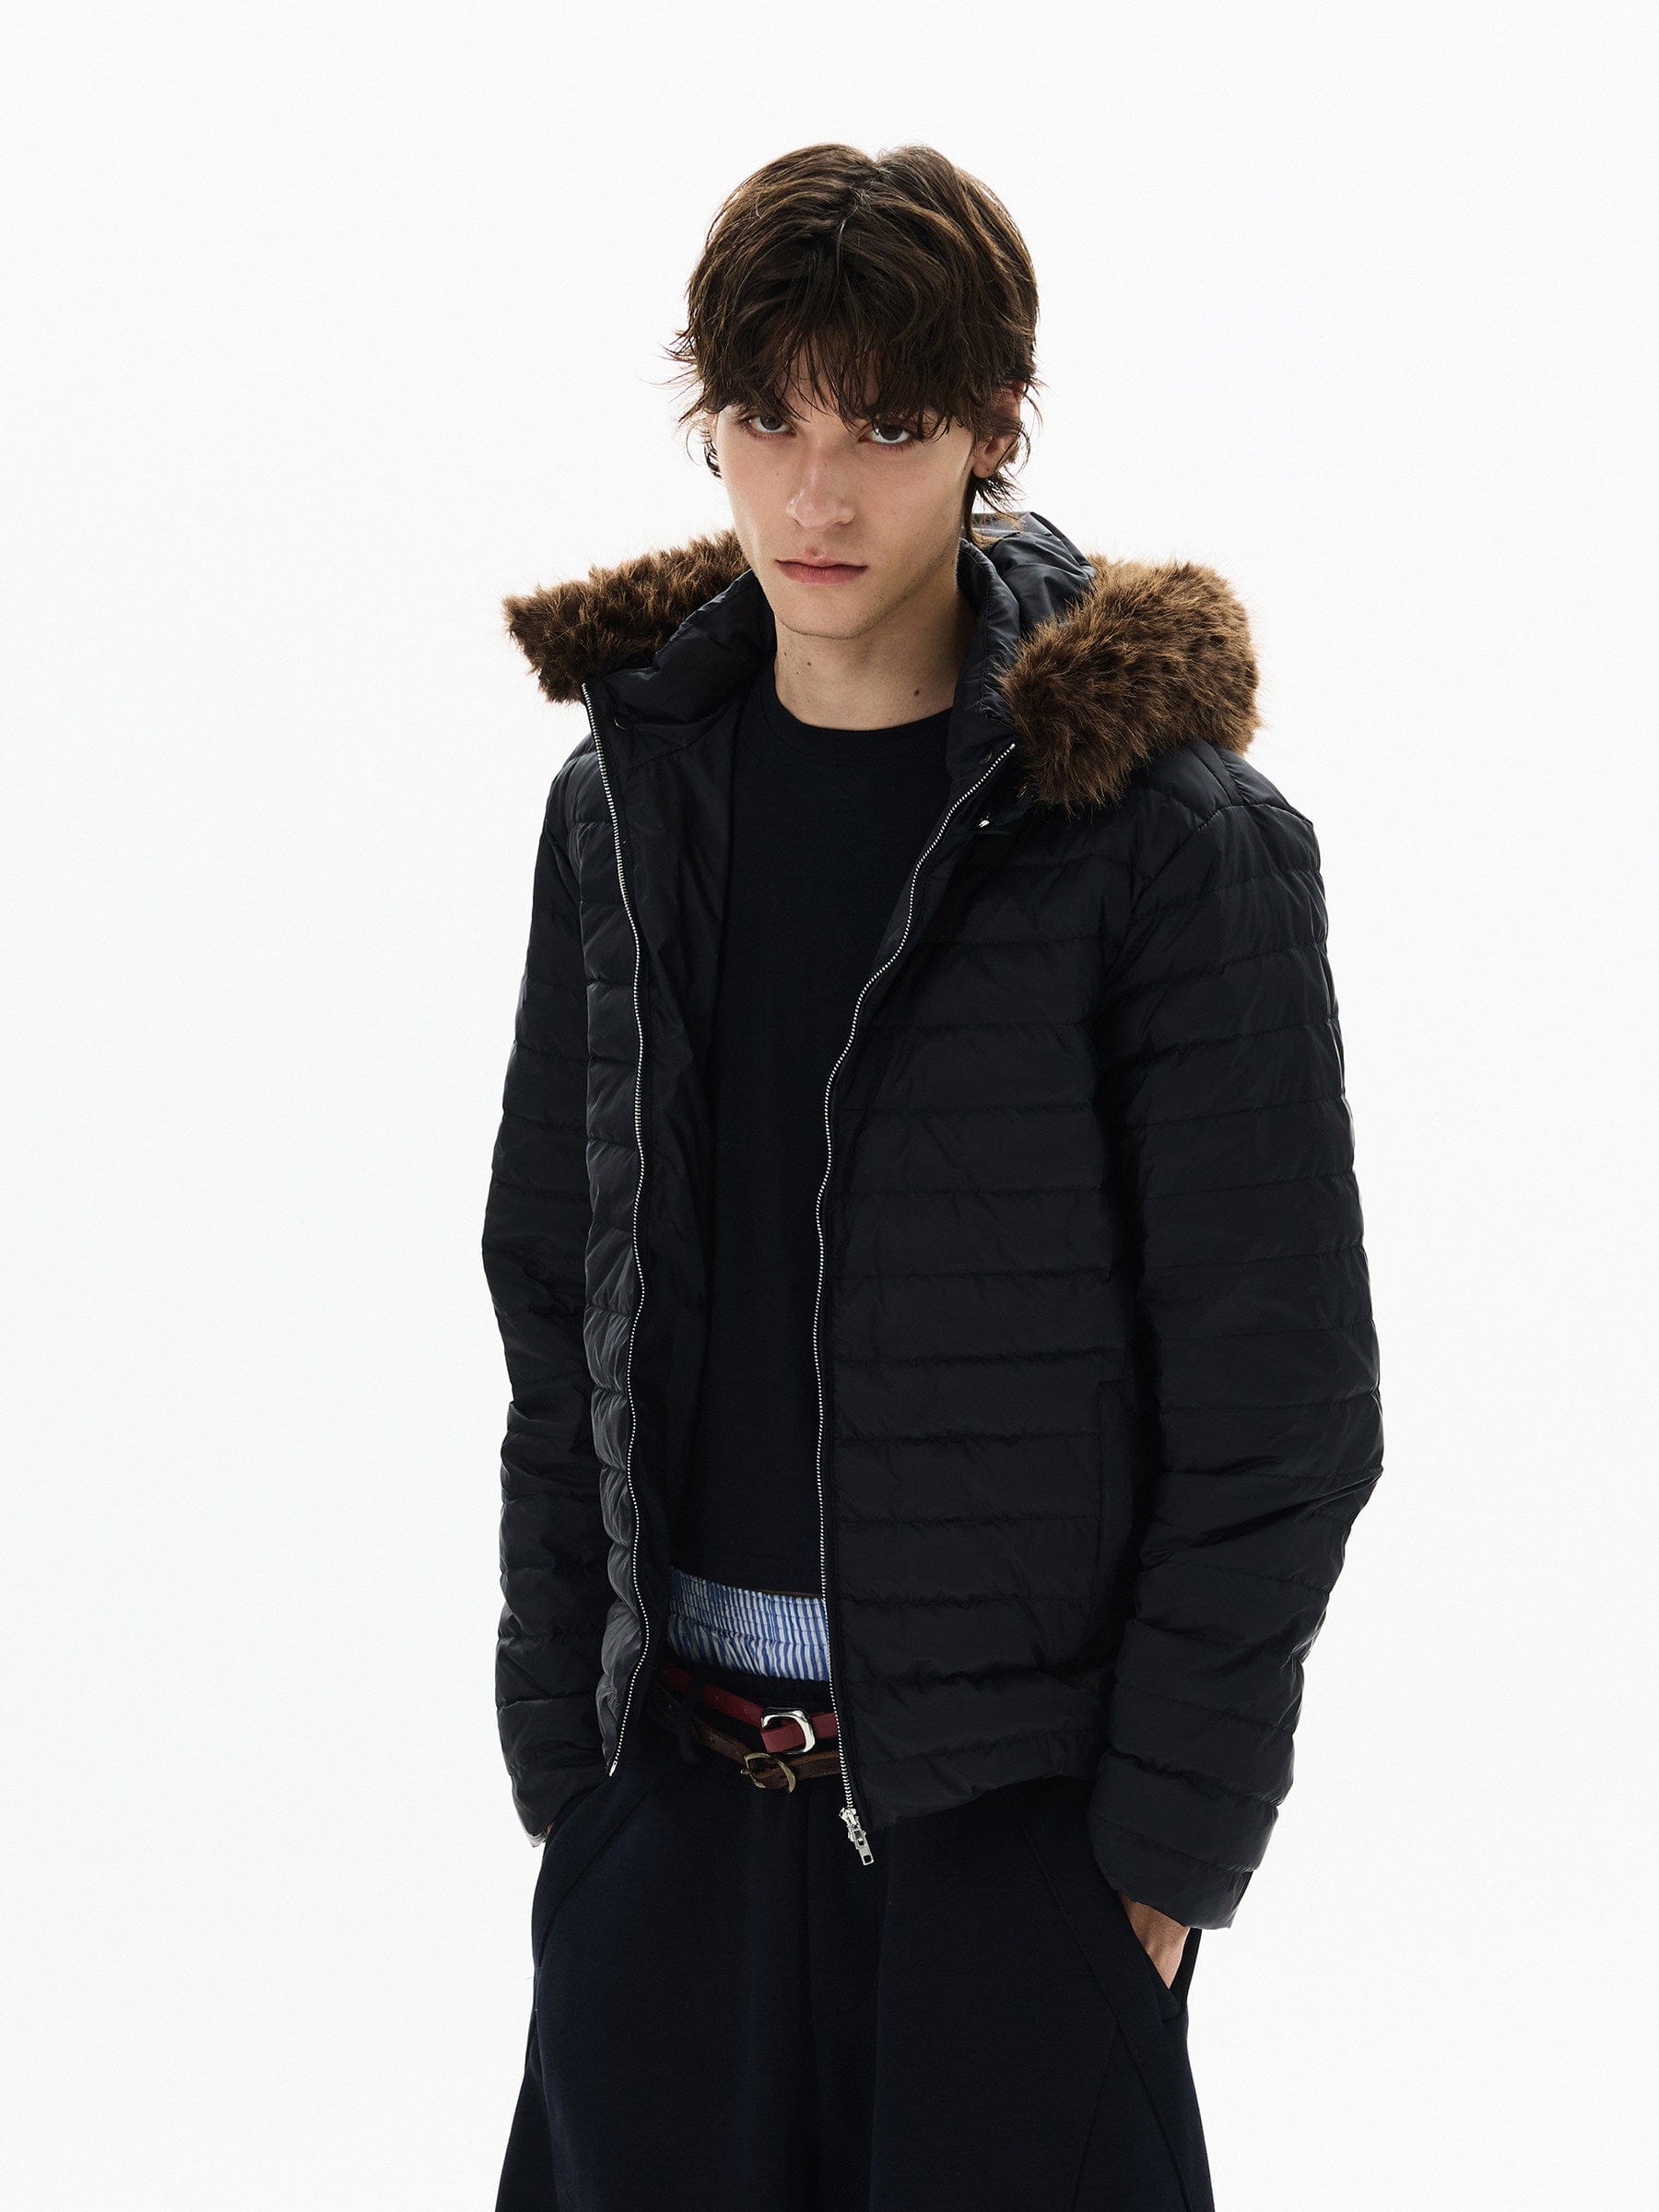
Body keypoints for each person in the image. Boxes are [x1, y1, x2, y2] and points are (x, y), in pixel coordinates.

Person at [482, 140, 1382, 2212]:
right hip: (668, 1822)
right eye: (768, 418)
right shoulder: (620, 812)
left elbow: (1283, 1406)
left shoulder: (1166, 846)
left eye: (886, 427)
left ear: (992, 427)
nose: (817, 493)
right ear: (710, 419)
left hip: (1013, 1855)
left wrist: (1154, 1865)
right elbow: (556, 1302)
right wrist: (569, 1774)